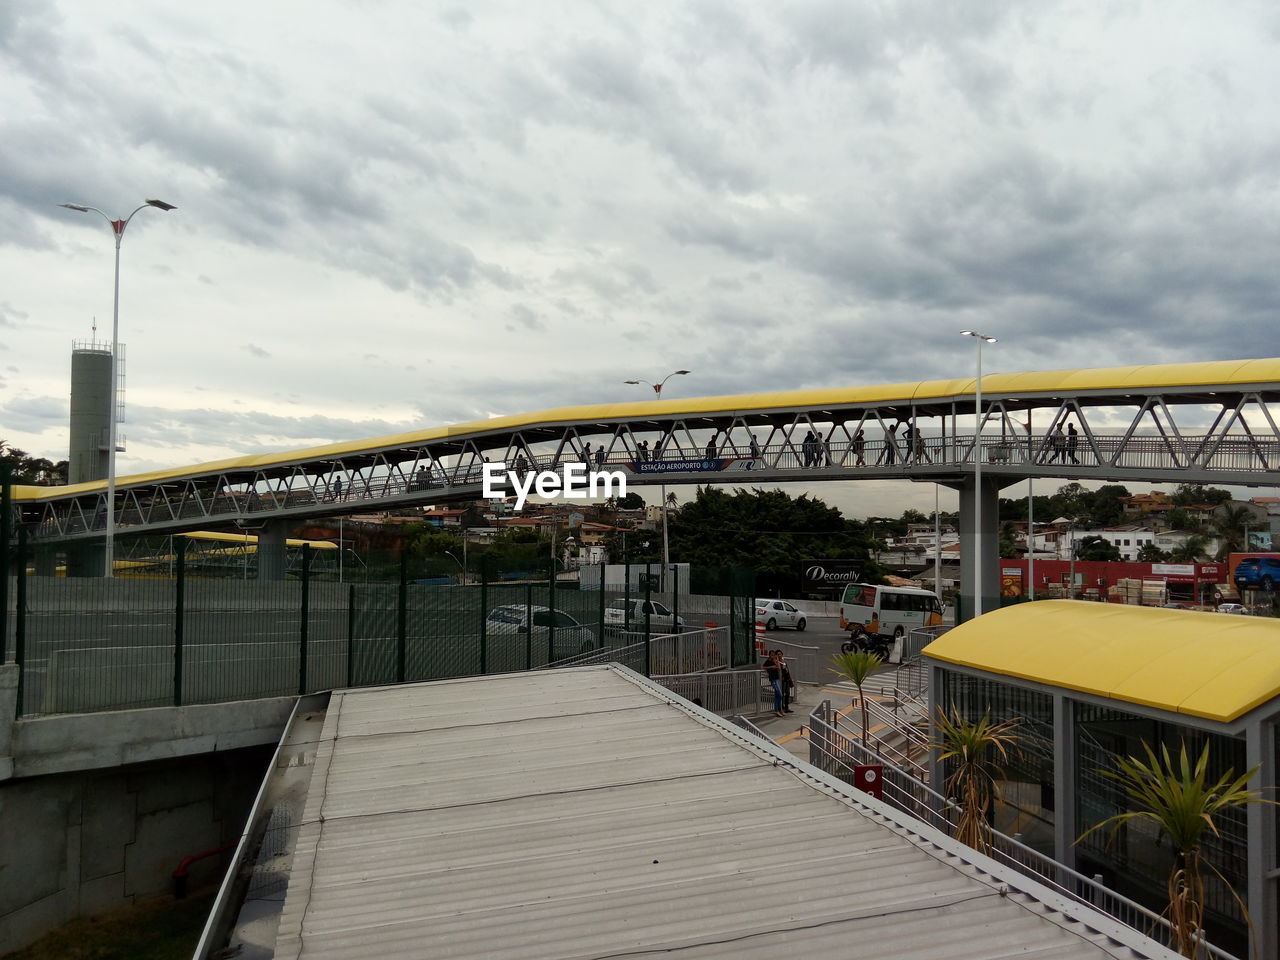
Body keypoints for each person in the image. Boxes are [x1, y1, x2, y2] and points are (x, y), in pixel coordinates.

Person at [762, 650, 785, 717]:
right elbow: (763, 667)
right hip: (773, 680)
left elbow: (779, 668)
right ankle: (777, 710)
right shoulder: (768, 661)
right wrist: (771, 667)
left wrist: (777, 660)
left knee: (777, 695)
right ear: (769, 655)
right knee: (779, 694)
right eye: (771, 655)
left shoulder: (774, 661)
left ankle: (779, 709)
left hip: (777, 679)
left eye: (773, 655)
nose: (773, 656)